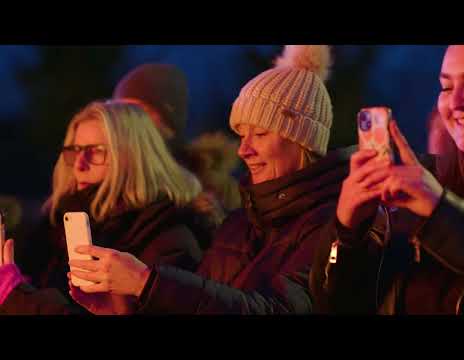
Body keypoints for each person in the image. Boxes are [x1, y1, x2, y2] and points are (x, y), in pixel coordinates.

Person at [68, 45, 356, 315]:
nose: (244, 149)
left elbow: (276, 308)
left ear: (302, 140)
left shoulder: (334, 226)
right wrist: (123, 309)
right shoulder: (237, 224)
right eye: (242, 135)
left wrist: (146, 282)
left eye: (260, 134)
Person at [310, 45, 464, 314]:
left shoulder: (431, 195)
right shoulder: (422, 183)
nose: (456, 102)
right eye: (446, 87)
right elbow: (338, 304)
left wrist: (441, 211)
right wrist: (347, 232)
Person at [0, 100, 208, 315]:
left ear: (134, 157)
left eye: (96, 151)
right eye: (75, 150)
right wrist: (21, 287)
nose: (80, 165)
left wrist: (15, 296)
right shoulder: (55, 227)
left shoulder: (168, 238)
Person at [113, 64, 241, 228]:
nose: (129, 121)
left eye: (138, 111)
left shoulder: (217, 187)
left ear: (169, 119)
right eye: (120, 111)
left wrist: (210, 219)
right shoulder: (102, 172)